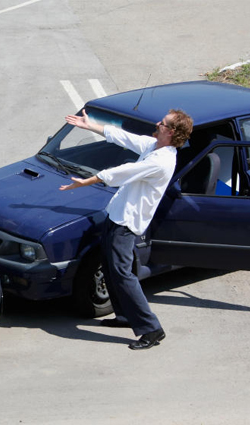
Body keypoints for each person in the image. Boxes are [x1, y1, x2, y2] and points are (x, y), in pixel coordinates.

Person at [60, 109, 193, 350]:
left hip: (127, 224)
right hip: (117, 215)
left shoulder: (161, 161)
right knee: (112, 268)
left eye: (162, 123)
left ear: (170, 132)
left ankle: (152, 329)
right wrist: (90, 126)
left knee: (122, 274)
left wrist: (87, 181)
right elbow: (124, 137)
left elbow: (123, 172)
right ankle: (124, 316)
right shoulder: (154, 146)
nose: (156, 123)